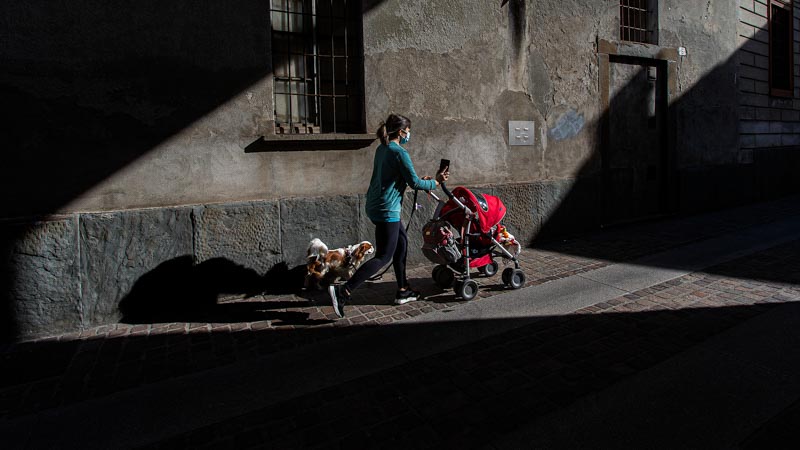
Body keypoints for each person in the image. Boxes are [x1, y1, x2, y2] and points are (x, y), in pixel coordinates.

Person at [328, 114, 449, 318]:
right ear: (401, 132)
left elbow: (397, 177)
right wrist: (436, 182)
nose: (409, 135)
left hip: (376, 205)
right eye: (408, 131)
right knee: (383, 256)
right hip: (387, 210)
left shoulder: (382, 149)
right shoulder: (399, 152)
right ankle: (343, 292)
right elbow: (415, 184)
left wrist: (420, 180)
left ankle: (403, 290)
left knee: (401, 245)